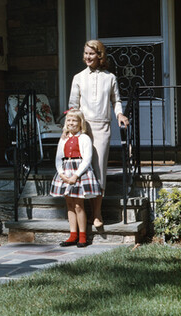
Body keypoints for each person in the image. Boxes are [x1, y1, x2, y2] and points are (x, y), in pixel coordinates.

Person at [67, 39, 129, 230]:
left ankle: (97, 213)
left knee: (99, 169)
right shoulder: (78, 77)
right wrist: (71, 129)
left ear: (100, 55)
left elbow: (116, 100)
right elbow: (73, 105)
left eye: (92, 53)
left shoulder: (110, 78)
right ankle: (81, 213)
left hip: (102, 127)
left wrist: (119, 114)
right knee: (82, 169)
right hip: (83, 129)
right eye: (85, 53)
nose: (88, 57)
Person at [49, 109, 102, 248]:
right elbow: (58, 157)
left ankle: (83, 236)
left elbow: (87, 159)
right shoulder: (64, 138)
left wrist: (75, 176)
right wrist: (61, 173)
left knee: (78, 205)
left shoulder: (84, 138)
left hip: (79, 172)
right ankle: (73, 235)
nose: (71, 123)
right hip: (66, 171)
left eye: (74, 121)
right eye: (69, 120)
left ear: (80, 123)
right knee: (70, 205)